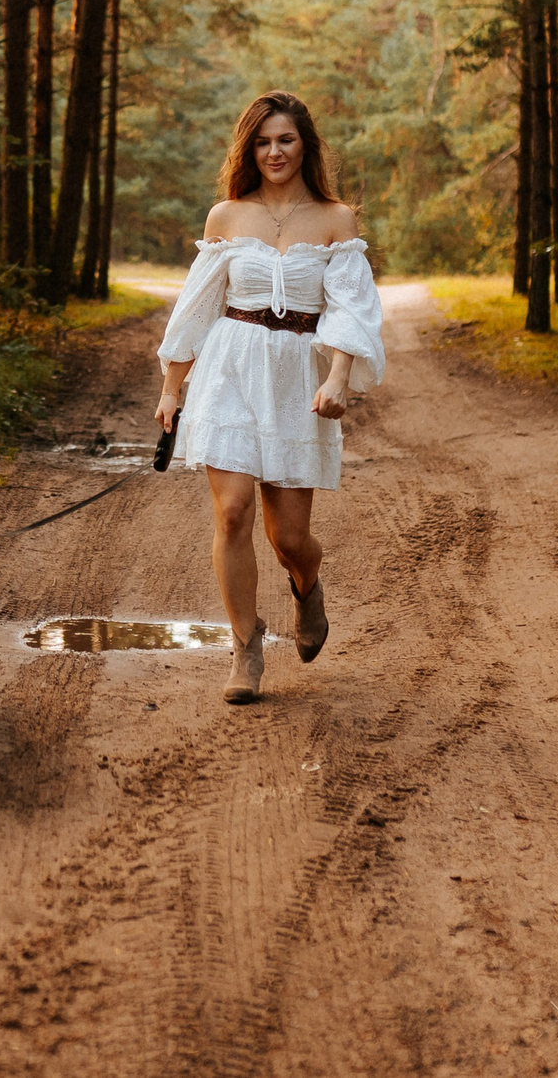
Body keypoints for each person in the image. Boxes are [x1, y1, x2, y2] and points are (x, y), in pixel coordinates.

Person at [153, 91, 385, 703]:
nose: (274, 151)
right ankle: (245, 647)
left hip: (295, 379)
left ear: (304, 144)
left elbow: (351, 310)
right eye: (262, 141)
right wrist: (172, 388)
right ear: (247, 148)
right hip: (229, 366)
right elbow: (197, 307)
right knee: (231, 512)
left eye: (284, 139)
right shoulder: (226, 216)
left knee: (289, 538)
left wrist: (337, 378)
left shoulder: (335, 219)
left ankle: (307, 588)